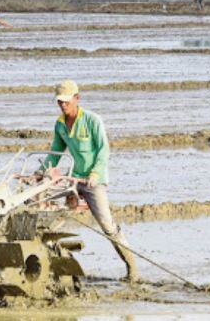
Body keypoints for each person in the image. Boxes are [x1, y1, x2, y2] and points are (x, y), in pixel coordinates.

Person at [41, 80, 138, 282]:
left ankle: (131, 267)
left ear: (77, 98)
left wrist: (94, 174)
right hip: (74, 178)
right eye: (59, 101)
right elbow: (55, 153)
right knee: (46, 205)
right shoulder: (60, 124)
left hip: (95, 180)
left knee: (107, 225)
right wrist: (40, 172)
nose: (63, 105)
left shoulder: (93, 121)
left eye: (66, 101)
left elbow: (104, 151)